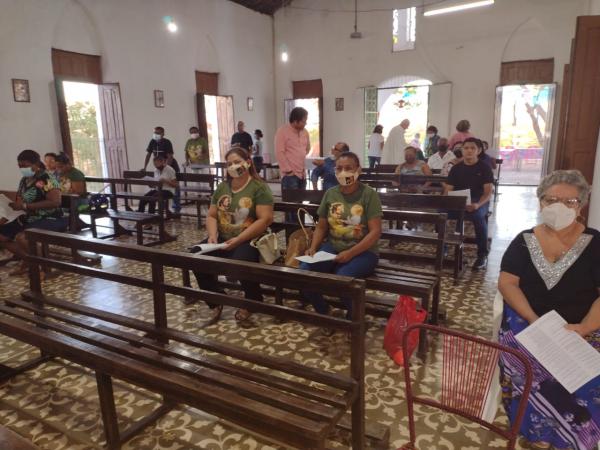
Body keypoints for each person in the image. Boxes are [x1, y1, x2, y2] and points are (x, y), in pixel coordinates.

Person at [498, 170, 600, 450]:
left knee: (586, 374)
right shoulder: (524, 240)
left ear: (581, 206)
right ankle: (534, 431)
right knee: (520, 357)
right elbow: (507, 283)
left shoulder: (595, 243)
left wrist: (586, 327)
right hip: (529, 321)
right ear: (540, 202)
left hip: (581, 328)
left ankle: (576, 437)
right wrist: (533, 319)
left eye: (569, 202)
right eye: (551, 199)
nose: (559, 206)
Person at [192, 146, 274, 323]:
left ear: (248, 162)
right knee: (195, 256)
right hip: (221, 238)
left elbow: (264, 219)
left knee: (240, 262)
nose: (233, 166)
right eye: (229, 164)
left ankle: (253, 299)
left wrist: (239, 239)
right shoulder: (223, 187)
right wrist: (212, 236)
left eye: (237, 162)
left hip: (250, 239)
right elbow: (212, 215)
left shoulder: (259, 187)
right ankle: (215, 300)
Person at [299, 152, 382, 322]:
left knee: (343, 278)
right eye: (339, 168)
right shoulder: (331, 194)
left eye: (348, 168)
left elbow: (375, 232)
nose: (343, 172)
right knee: (303, 272)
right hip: (333, 247)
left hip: (364, 252)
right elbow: (322, 226)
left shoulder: (368, 194)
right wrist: (313, 247)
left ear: (358, 170)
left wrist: (351, 253)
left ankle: (355, 319)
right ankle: (324, 311)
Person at [0, 150, 67, 275]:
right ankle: (30, 260)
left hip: (50, 217)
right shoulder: (24, 180)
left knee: (23, 237)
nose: (22, 168)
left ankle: (44, 266)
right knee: (2, 236)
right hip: (29, 217)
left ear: (35, 163)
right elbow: (20, 200)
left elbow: (55, 202)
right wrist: (12, 207)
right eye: (20, 166)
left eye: (25, 165)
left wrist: (26, 205)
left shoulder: (47, 178)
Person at [444, 137, 493, 269]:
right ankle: (443, 248)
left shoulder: (484, 168)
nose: (469, 151)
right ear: (462, 150)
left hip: (478, 201)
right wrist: (450, 201)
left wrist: (477, 205)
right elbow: (448, 190)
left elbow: (488, 192)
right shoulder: (456, 168)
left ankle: (482, 254)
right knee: (440, 214)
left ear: (479, 150)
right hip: (459, 200)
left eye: (473, 148)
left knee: (478, 217)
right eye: (466, 148)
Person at [275, 107, 310, 220]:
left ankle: (300, 232)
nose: (306, 123)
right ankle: (292, 233)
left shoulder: (305, 132)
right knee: (291, 207)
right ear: (295, 121)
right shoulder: (282, 131)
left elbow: (307, 148)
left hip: (302, 174)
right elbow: (279, 152)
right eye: (304, 121)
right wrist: (288, 170)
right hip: (290, 175)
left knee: (300, 205)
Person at [142, 126, 181, 215]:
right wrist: (144, 167)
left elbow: (170, 156)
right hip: (159, 166)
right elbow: (148, 154)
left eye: (158, 133)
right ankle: (164, 209)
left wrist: (166, 167)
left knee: (174, 188)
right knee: (161, 187)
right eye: (155, 133)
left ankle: (177, 210)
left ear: (163, 134)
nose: (156, 135)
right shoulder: (152, 141)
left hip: (170, 166)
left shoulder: (167, 142)